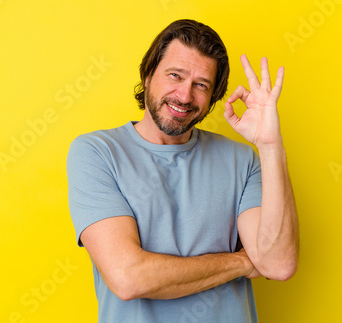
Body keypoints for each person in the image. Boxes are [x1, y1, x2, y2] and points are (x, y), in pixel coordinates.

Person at [67, 19, 299, 322]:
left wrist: (270, 146)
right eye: (175, 75)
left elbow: (278, 264)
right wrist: (242, 262)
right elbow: (128, 277)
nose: (185, 96)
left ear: (213, 97)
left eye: (201, 85)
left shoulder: (242, 160)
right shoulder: (97, 152)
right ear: (148, 74)